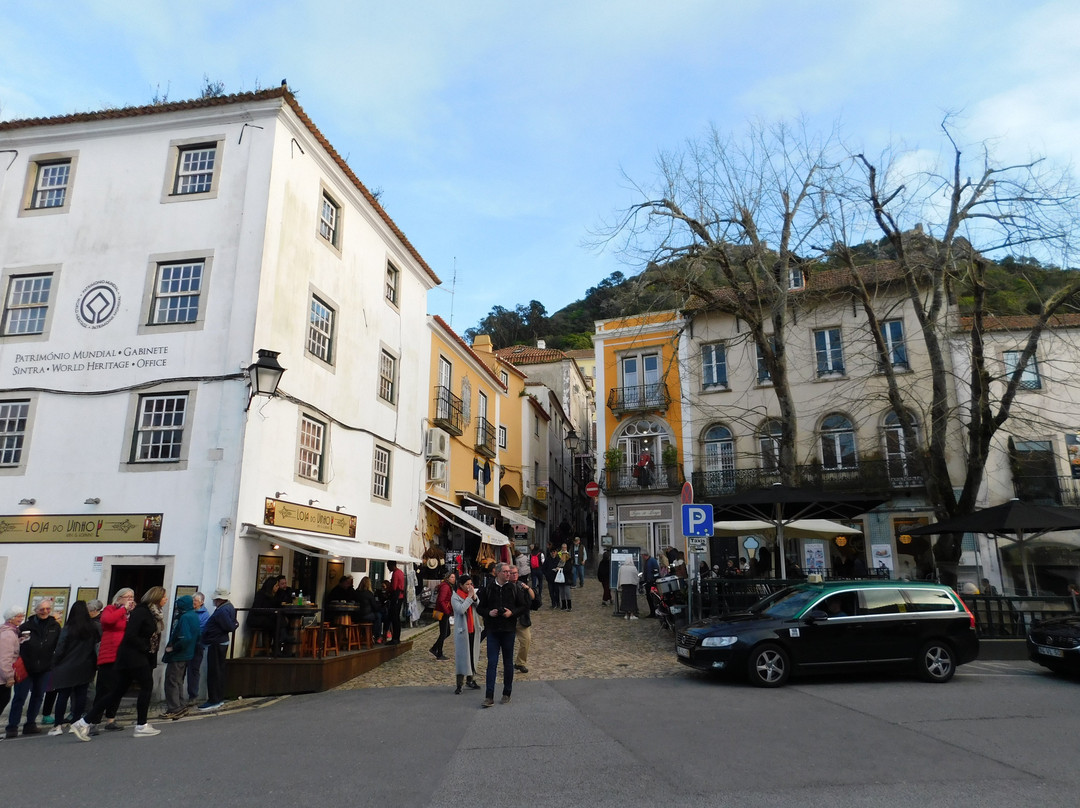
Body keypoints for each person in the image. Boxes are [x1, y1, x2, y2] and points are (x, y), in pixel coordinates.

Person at [72, 586, 168, 740]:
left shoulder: (148, 612)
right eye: (164, 596)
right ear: (156, 597)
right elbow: (130, 634)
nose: (166, 599)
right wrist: (145, 647)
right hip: (133, 656)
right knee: (146, 686)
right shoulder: (142, 611)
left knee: (116, 692)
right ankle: (141, 725)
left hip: (130, 656)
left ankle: (83, 722)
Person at [5, 597, 61, 738]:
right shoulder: (25, 627)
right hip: (25, 667)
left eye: (48, 609)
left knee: (38, 696)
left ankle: (30, 724)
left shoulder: (55, 626)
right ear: (35, 610)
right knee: (19, 697)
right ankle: (12, 726)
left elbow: (58, 645)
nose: (45, 611)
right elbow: (18, 646)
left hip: (45, 667)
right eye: (41, 609)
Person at [81, 588, 134, 736]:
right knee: (104, 689)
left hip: (123, 655)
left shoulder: (129, 613)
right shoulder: (110, 609)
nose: (130, 599)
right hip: (109, 653)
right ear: (119, 597)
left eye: (132, 597)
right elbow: (107, 621)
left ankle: (111, 719)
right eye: (127, 597)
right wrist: (123, 609)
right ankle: (93, 722)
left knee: (117, 689)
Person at [46, 601, 100, 736]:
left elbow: (60, 649)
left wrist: (54, 663)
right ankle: (76, 723)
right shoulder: (93, 628)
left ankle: (57, 725)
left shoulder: (68, 628)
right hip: (85, 666)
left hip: (67, 666)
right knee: (81, 695)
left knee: (63, 696)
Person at [478, 561, 525, 707]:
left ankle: (507, 692)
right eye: (505, 571)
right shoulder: (489, 588)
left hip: (508, 630)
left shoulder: (513, 588)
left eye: (509, 572)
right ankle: (489, 696)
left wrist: (512, 613)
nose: (508, 574)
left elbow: (523, 606)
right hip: (493, 630)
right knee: (491, 663)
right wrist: (489, 613)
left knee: (508, 662)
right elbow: (480, 608)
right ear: (497, 572)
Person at [161, 594, 200, 719]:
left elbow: (185, 637)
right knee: (178, 681)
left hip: (179, 654)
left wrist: (173, 647)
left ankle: (174, 708)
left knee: (172, 681)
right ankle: (181, 706)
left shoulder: (185, 617)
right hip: (187, 654)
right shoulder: (194, 615)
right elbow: (197, 635)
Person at [199, 588, 237, 712]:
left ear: (219, 599)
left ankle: (214, 699)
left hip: (217, 643)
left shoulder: (222, 611)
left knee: (214, 672)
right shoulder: (228, 607)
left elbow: (230, 626)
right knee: (218, 671)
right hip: (219, 642)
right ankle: (217, 698)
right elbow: (234, 624)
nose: (213, 601)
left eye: (215, 599)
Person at [451, 574, 481, 694]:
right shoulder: (455, 597)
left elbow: (478, 604)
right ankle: (459, 684)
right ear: (461, 585)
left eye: (471, 584)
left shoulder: (471, 594)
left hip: (472, 628)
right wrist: (469, 598)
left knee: (472, 655)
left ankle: (471, 679)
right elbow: (460, 609)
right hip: (462, 631)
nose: (470, 586)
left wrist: (474, 598)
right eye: (467, 584)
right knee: (462, 657)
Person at [511, 565, 540, 674]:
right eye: (512, 573)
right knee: (508, 644)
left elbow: (533, 599)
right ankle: (508, 664)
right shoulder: (505, 586)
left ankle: (520, 663)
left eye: (516, 573)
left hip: (522, 619)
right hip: (509, 619)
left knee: (526, 641)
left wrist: (528, 589)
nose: (514, 575)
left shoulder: (521, 585)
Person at [1, 606, 26, 732]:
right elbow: (5, 658)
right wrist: (9, 677)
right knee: (2, 700)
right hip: (2, 678)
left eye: (22, 616)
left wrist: (20, 640)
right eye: (18, 616)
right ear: (10, 619)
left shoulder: (10, 632)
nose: (21, 619)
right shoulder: (8, 635)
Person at [186, 592, 209, 705]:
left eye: (196, 601)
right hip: (185, 645)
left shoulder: (205, 614)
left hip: (197, 645)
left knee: (194, 670)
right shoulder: (188, 612)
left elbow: (201, 630)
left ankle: (193, 696)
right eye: (193, 600)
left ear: (201, 602)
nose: (193, 603)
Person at [429, 571, 455, 660]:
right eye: (452, 577)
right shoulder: (445, 587)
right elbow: (441, 600)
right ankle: (438, 652)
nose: (453, 579)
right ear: (447, 578)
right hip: (443, 612)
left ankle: (435, 648)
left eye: (454, 577)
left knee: (446, 632)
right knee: (444, 633)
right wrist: (447, 611)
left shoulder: (447, 586)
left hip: (444, 611)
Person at [356, 577, 384, 643]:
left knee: (376, 616)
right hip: (365, 615)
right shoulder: (369, 594)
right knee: (378, 616)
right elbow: (375, 607)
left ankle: (370, 635)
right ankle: (376, 635)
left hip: (356, 615)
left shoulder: (356, 592)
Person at [386, 561, 406, 644]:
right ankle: (396, 637)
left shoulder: (395, 573)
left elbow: (394, 587)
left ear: (391, 566)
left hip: (396, 597)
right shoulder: (400, 572)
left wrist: (388, 589)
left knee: (394, 618)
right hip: (401, 596)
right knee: (396, 618)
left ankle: (395, 638)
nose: (388, 568)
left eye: (388, 566)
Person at [555, 543, 573, 610]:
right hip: (560, 577)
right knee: (562, 592)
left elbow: (568, 569)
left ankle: (569, 606)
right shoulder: (560, 560)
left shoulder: (568, 560)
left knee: (567, 592)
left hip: (567, 578)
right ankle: (563, 605)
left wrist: (560, 569)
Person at [642, 551, 660, 617]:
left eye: (642, 556)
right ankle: (652, 612)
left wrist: (652, 580)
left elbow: (655, 571)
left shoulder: (651, 561)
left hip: (651, 582)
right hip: (649, 582)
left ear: (644, 555)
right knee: (650, 598)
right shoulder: (649, 561)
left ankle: (654, 612)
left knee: (653, 598)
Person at [543, 544, 560, 609]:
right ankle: (553, 603)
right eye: (551, 552)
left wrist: (558, 569)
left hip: (557, 578)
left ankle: (558, 603)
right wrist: (547, 574)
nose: (553, 553)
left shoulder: (558, 559)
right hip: (550, 578)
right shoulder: (547, 559)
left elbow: (562, 567)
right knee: (551, 592)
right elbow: (543, 568)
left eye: (554, 552)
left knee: (557, 591)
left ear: (556, 552)